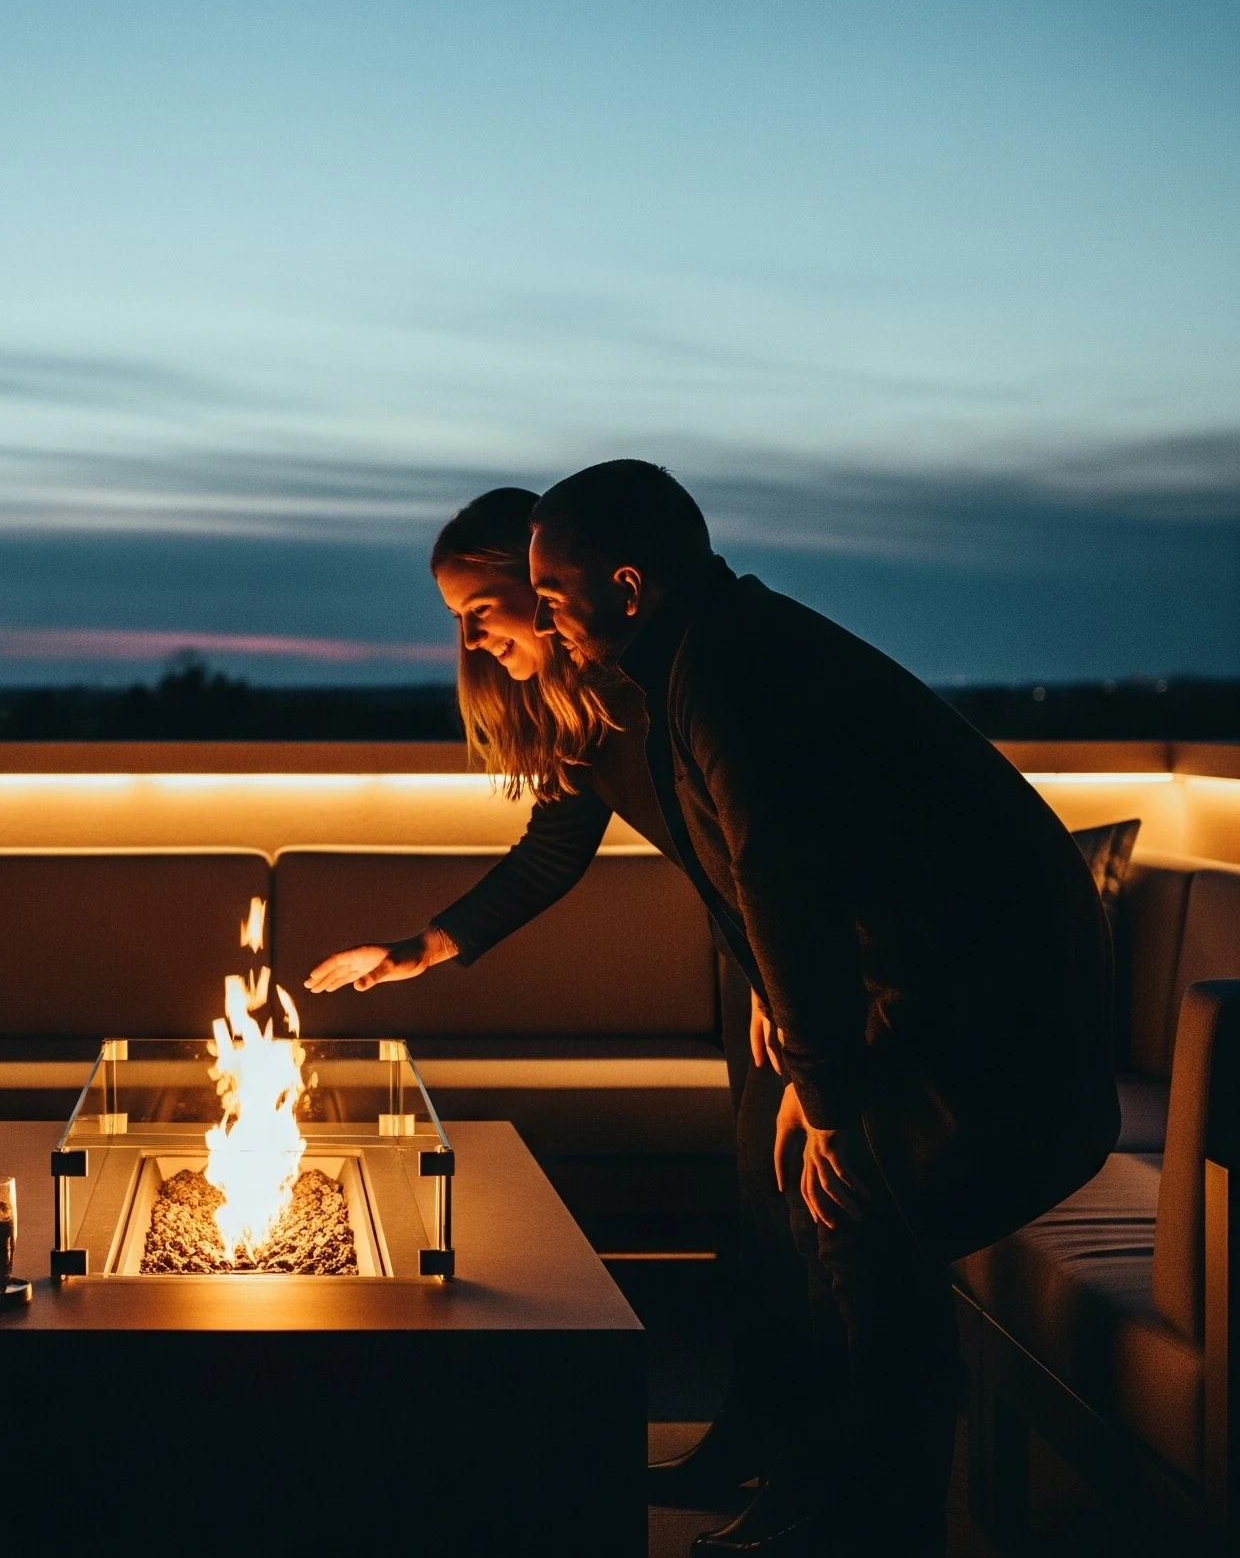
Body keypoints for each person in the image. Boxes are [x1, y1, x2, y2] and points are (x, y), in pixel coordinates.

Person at [527, 460, 1117, 1557]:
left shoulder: (725, 670)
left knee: (856, 1207)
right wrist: (817, 1072)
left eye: (551, 594)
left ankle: (876, 1519)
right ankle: (834, 1492)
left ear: (626, 585)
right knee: (824, 1204)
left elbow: (782, 887)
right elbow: (781, 883)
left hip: (992, 999)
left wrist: (832, 1098)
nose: (543, 619)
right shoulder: (716, 649)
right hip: (938, 980)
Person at [304, 487, 801, 1507]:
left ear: (539, 586)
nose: (468, 639)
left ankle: (816, 1472)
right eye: (455, 620)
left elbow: (776, 842)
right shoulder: (585, 714)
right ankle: (752, 1436)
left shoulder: (667, 680)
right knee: (761, 1213)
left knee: (809, 1218)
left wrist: (781, 976)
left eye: (477, 609)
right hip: (755, 963)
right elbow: (551, 852)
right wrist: (418, 949)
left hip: (794, 964)